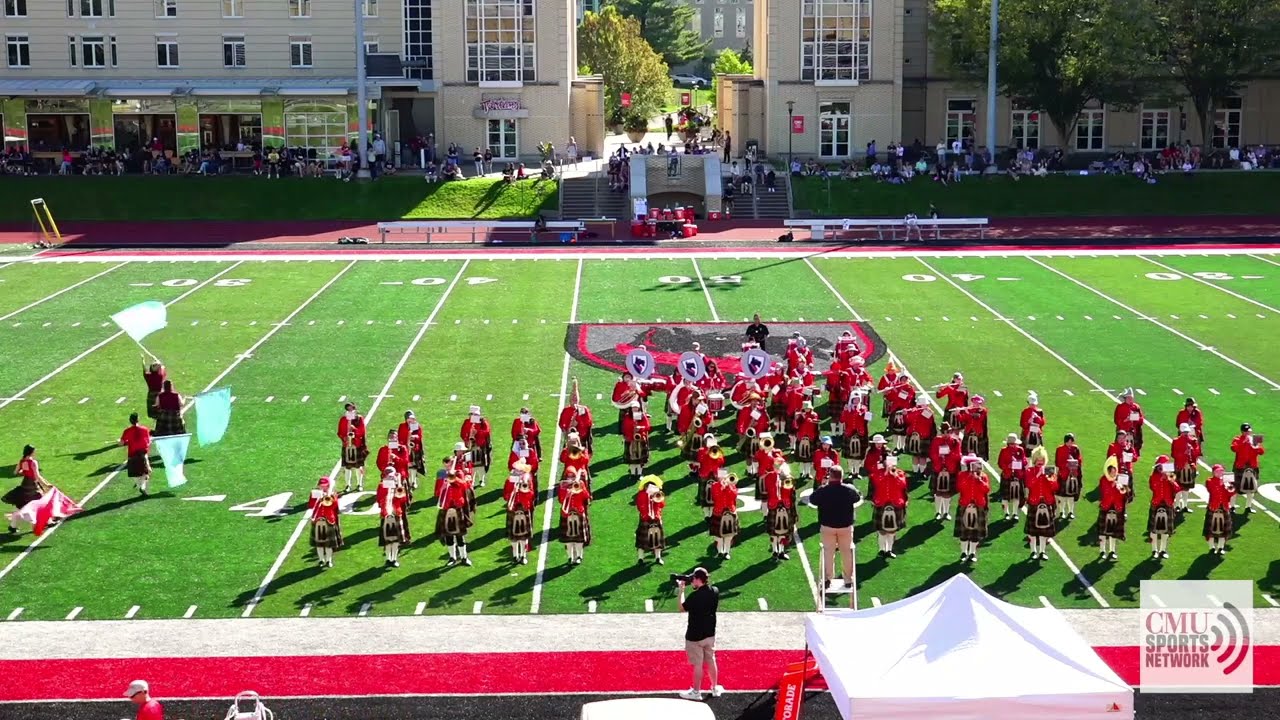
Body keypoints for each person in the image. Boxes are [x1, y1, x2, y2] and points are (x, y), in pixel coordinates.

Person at [810, 465, 862, 588]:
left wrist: (823, 485)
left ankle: (828, 578)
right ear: (841, 476)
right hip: (845, 527)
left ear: (830, 477)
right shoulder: (849, 489)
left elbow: (813, 499)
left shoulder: (823, 490)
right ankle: (848, 579)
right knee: (847, 553)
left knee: (828, 553)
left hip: (828, 526)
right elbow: (857, 497)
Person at [678, 567, 723, 701]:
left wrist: (681, 591)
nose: (692, 581)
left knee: (698, 664)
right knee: (711, 660)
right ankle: (714, 688)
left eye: (693, 579)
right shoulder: (715, 591)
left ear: (698, 580)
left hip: (695, 635)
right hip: (710, 633)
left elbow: (681, 608)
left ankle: (696, 692)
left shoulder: (695, 596)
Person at [1024, 450, 1059, 561]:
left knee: (1044, 532)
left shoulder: (1050, 471)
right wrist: (1038, 475)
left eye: (1042, 459)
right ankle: (1033, 551)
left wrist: (1049, 479)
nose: (1040, 462)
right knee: (1033, 531)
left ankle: (1042, 551)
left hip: (1047, 502)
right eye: (1038, 459)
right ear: (1034, 460)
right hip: (1034, 502)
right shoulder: (1030, 471)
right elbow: (1029, 485)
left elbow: (1055, 487)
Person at [1095, 457, 1133, 561]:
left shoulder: (1120, 479)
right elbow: (1105, 492)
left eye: (1115, 471)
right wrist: (1114, 485)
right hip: (1106, 506)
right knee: (1103, 532)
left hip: (1117, 508)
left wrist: (1124, 489)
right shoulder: (1103, 480)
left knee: (1113, 532)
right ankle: (1102, 551)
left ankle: (1112, 551)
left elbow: (1127, 494)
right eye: (1112, 472)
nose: (1114, 474)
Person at [954, 454, 989, 562]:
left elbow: (986, 489)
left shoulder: (983, 476)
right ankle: (964, 552)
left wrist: (978, 480)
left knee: (975, 533)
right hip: (965, 504)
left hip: (978, 505)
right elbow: (960, 488)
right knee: (964, 532)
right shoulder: (962, 475)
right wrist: (969, 477)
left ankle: (972, 553)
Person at [4, 445, 46, 534]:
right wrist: (46, 484)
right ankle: (42, 523)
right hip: (32, 486)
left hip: (25, 485)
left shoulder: (22, 461)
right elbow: (37, 476)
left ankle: (13, 526)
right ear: (31, 452)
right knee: (40, 503)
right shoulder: (33, 462)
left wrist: (23, 471)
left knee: (22, 507)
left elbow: (16, 472)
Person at [436, 470, 473, 567]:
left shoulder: (459, 483)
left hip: (457, 511)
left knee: (460, 536)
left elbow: (464, 485)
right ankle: (452, 557)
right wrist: (443, 485)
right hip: (446, 511)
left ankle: (464, 557)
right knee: (449, 537)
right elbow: (437, 494)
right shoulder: (443, 483)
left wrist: (454, 480)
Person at [872, 462, 908, 558]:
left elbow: (902, 485)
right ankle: (882, 550)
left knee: (892, 531)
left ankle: (889, 550)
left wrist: (894, 475)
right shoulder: (878, 473)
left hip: (896, 504)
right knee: (881, 530)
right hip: (881, 503)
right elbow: (876, 482)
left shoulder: (900, 473)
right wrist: (885, 473)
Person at [1148, 455, 1179, 560]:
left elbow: (1177, 488)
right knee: (1154, 530)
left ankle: (1163, 550)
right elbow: (1153, 488)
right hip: (1157, 503)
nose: (1162, 469)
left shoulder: (1171, 476)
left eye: (1164, 466)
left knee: (1166, 531)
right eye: (1160, 467)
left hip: (1168, 504)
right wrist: (1161, 479)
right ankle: (1154, 550)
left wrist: (1170, 480)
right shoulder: (1153, 477)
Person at [504, 464, 535, 564]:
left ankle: (523, 556)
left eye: (521, 471)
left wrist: (522, 489)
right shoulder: (510, 481)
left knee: (523, 537)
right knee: (513, 537)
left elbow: (531, 495)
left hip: (524, 510)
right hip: (513, 511)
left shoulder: (527, 480)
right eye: (517, 471)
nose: (519, 472)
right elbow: (505, 495)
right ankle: (515, 556)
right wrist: (513, 491)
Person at [308, 476, 342, 568]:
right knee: (319, 544)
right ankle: (321, 560)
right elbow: (310, 505)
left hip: (329, 521)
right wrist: (316, 498)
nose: (323, 487)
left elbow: (334, 506)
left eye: (325, 486)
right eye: (321, 486)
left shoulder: (332, 495)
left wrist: (328, 496)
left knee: (328, 544)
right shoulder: (315, 493)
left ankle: (328, 560)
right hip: (318, 521)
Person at [1230, 423, 1264, 513]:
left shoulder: (1254, 440)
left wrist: (1257, 446)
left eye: (1248, 431)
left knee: (1251, 487)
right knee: (1235, 487)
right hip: (1240, 467)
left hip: (1252, 466)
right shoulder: (1237, 439)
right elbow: (1234, 448)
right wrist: (1244, 442)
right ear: (1242, 432)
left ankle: (1248, 507)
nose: (1247, 433)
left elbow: (1261, 452)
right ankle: (1232, 507)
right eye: (1245, 432)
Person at [559, 474, 591, 564]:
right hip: (567, 515)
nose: (571, 479)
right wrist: (567, 493)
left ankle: (579, 556)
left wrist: (581, 486)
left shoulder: (580, 484)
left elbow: (586, 496)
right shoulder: (563, 487)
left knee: (579, 540)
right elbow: (561, 500)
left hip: (579, 514)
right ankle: (570, 557)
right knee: (568, 540)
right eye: (569, 477)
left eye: (573, 477)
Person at [1204, 464, 1235, 555]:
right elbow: (1212, 490)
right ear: (1213, 472)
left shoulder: (1227, 482)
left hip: (1224, 507)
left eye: (1221, 471)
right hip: (1213, 507)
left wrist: (1230, 488)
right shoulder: (1209, 481)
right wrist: (1221, 484)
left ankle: (1221, 547)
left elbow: (1231, 493)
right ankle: (1211, 547)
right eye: (1217, 471)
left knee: (1223, 530)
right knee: (1211, 530)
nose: (1220, 473)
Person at [119, 412, 153, 496]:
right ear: (138, 419)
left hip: (132, 455)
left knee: (136, 473)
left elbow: (121, 443)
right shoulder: (145, 429)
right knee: (146, 472)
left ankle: (139, 484)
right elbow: (148, 442)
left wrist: (124, 442)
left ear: (130, 421)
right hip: (143, 455)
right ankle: (142, 487)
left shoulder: (127, 431)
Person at [338, 403, 369, 492]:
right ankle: (348, 485)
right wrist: (344, 438)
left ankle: (359, 484)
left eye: (351, 408)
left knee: (358, 466)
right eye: (348, 409)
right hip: (347, 445)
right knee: (347, 467)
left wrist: (354, 428)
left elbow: (362, 431)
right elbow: (340, 432)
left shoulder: (359, 418)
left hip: (357, 445)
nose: (350, 410)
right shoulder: (343, 419)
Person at [635, 474, 666, 565]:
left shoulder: (657, 494)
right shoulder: (641, 495)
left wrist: (655, 499)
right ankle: (640, 559)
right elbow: (640, 506)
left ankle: (658, 557)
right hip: (646, 519)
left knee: (658, 539)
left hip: (656, 518)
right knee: (642, 541)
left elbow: (662, 505)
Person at [709, 471, 740, 559]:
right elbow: (716, 496)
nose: (723, 479)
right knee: (718, 537)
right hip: (718, 513)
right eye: (721, 477)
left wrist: (728, 486)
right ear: (718, 477)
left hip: (730, 513)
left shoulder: (732, 487)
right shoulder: (715, 485)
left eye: (724, 477)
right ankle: (720, 552)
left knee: (729, 536)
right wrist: (722, 486)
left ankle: (726, 552)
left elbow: (734, 496)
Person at [996, 433, 1027, 520]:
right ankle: (1006, 513)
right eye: (1012, 444)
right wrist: (1007, 466)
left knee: (1017, 496)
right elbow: (1000, 463)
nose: (1014, 445)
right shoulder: (1004, 451)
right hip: (1007, 475)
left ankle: (1015, 513)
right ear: (1008, 443)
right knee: (1005, 496)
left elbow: (1024, 461)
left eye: (1015, 444)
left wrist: (1020, 462)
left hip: (1018, 476)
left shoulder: (1020, 450)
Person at [461, 405, 493, 487]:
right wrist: (466, 439)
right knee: (470, 465)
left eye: (475, 414)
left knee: (480, 465)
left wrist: (477, 432)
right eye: (471, 414)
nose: (473, 416)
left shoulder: (483, 422)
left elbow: (487, 432)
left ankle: (481, 480)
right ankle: (472, 480)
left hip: (480, 446)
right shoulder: (467, 422)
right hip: (470, 446)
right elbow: (462, 433)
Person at [397, 410, 426, 490]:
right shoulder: (402, 426)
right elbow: (399, 437)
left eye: (412, 418)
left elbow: (420, 436)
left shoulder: (417, 426)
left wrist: (414, 437)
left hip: (414, 448)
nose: (411, 420)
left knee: (414, 466)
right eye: (409, 419)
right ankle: (409, 481)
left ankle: (413, 481)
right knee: (408, 465)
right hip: (405, 448)